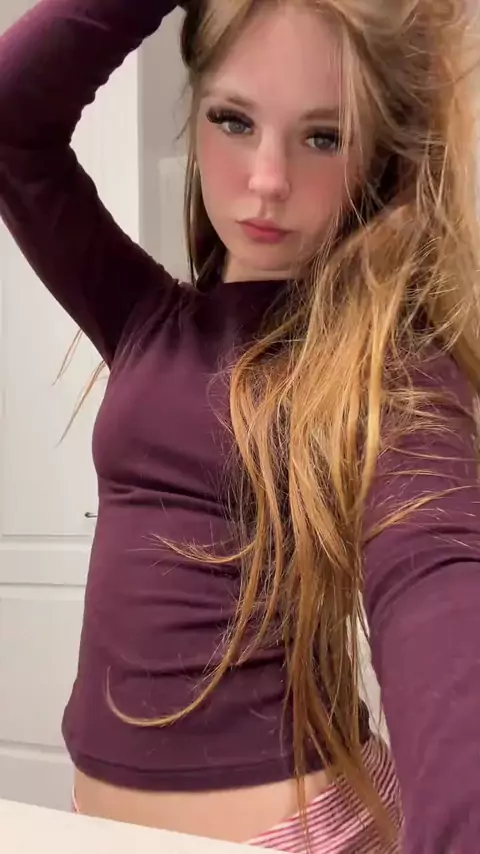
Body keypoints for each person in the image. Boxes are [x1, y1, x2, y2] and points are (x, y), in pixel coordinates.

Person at [1, 0, 479, 850]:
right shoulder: (145, 317)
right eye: (233, 120)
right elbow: (13, 120)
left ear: (376, 155)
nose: (267, 180)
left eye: (323, 136)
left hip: (298, 836)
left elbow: (438, 579)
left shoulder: (385, 366)